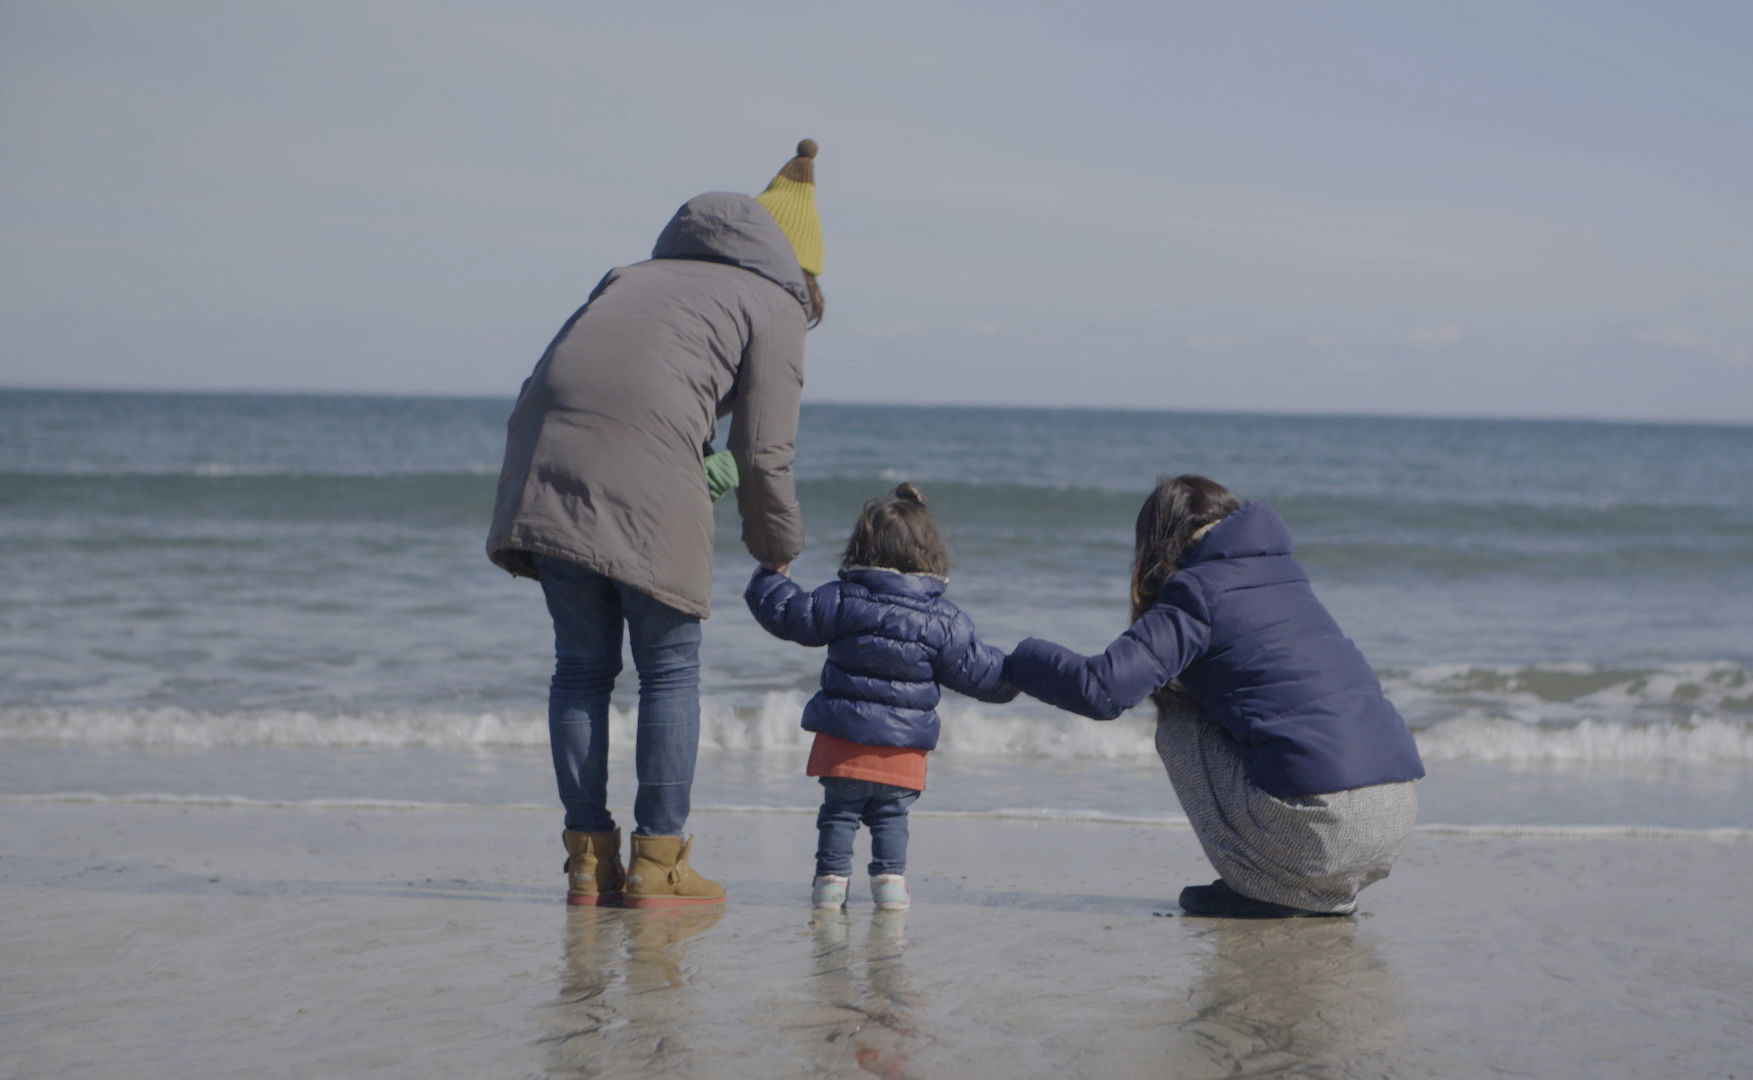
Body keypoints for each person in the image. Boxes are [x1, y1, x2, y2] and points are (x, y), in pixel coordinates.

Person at [486, 140, 826, 907]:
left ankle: (586, 863)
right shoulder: (776, 304)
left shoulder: (629, 276)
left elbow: (596, 378)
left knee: (580, 668)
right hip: (639, 467)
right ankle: (659, 864)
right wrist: (778, 551)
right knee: (669, 669)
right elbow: (765, 449)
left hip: (542, 456)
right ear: (798, 266)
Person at [1004, 475, 1425, 917]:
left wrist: (1019, 662)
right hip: (1395, 815)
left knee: (1180, 721)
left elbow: (1103, 690)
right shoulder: (1285, 578)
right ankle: (1311, 887)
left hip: (1325, 829)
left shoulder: (1198, 590)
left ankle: (1260, 885)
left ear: (1162, 541)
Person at [744, 483, 1018, 911]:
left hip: (843, 741)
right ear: (930, 552)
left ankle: (830, 884)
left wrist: (769, 577)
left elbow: (788, 615)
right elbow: (981, 674)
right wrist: (1025, 671)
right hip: (902, 750)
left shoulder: (841, 600)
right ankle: (890, 884)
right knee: (892, 816)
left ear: (860, 548)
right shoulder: (943, 621)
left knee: (838, 813)